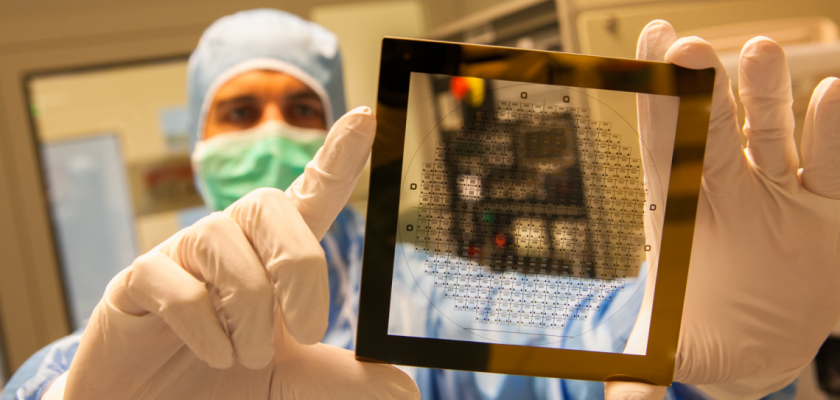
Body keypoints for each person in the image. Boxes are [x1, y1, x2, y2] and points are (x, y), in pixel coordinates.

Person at [2, 10, 838, 400]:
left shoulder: (438, 297)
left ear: (342, 128)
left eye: (300, 109)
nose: (269, 131)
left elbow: (565, 342)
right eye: (237, 110)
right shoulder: (123, 347)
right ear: (197, 147)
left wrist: (667, 332)